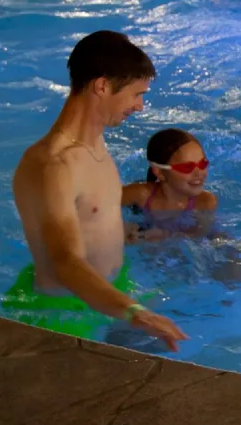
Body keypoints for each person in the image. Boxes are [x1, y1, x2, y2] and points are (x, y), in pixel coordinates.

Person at [10, 30, 187, 350]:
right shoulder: (54, 165)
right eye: (136, 94)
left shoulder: (94, 143)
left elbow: (91, 214)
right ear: (102, 86)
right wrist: (135, 313)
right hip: (64, 315)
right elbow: (66, 262)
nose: (141, 106)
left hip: (109, 292)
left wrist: (137, 233)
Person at [123, 128, 218, 241]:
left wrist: (161, 235)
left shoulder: (205, 202)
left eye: (203, 164)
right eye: (187, 167)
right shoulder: (139, 195)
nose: (199, 173)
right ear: (160, 173)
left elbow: (199, 236)